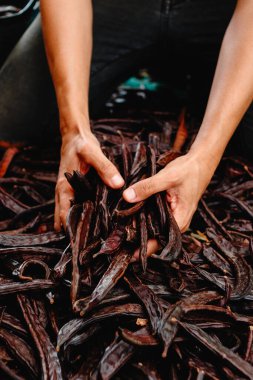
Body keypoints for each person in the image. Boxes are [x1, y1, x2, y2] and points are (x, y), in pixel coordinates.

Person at [0, 0, 253, 243]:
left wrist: (203, 158)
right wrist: (73, 130)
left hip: (224, 12)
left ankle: (198, 87)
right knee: (12, 118)